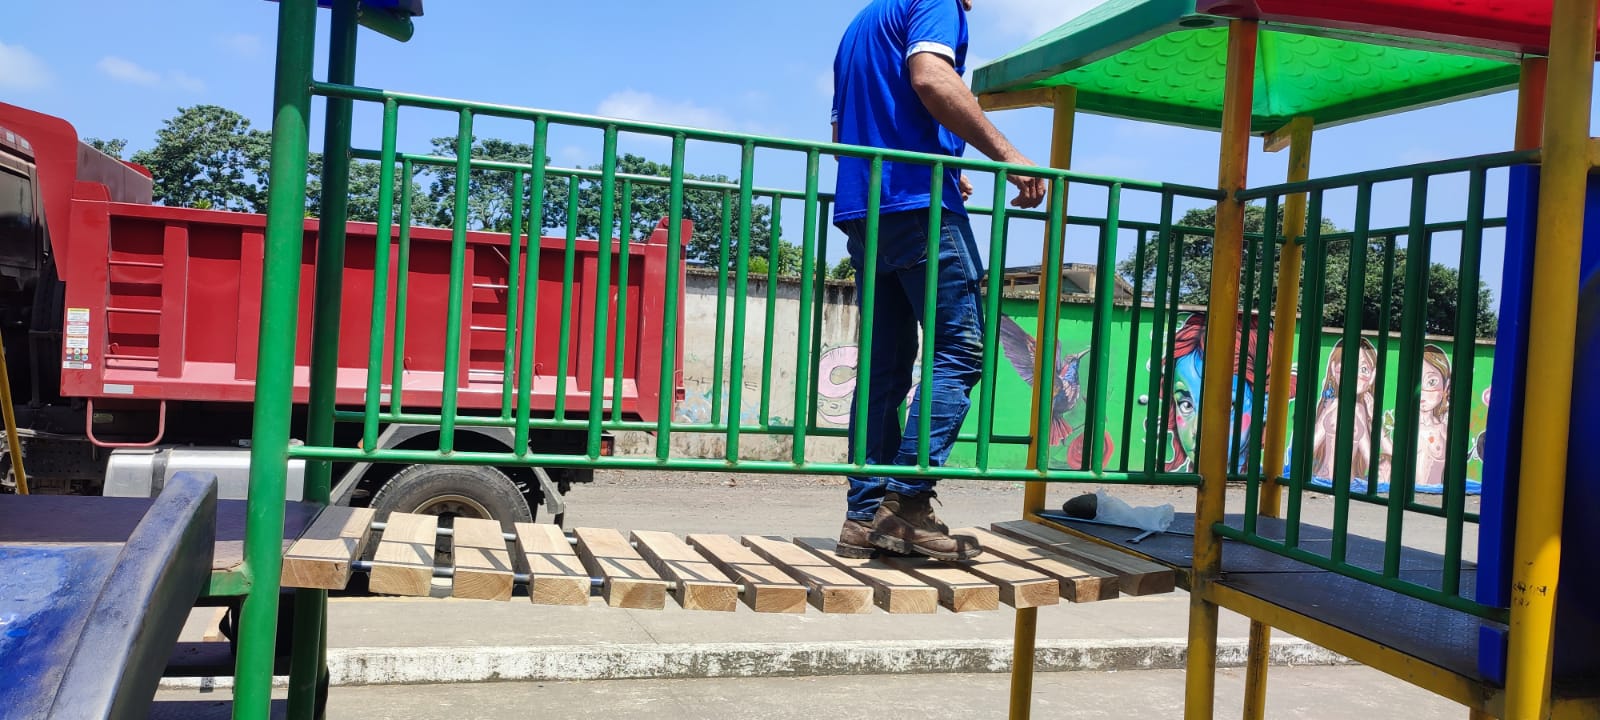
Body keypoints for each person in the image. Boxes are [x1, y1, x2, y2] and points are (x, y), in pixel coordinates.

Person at [830, 0, 1047, 560]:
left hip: (864, 206)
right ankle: (907, 506)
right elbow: (930, 77)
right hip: (917, 203)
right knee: (961, 347)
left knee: (883, 365)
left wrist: (947, 165)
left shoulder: (863, 23)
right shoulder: (935, 2)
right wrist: (1009, 155)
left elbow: (842, 126)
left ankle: (864, 515)